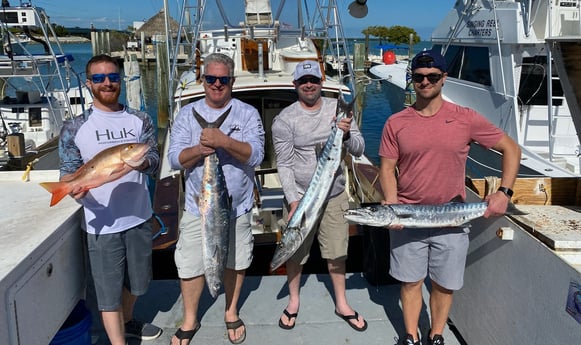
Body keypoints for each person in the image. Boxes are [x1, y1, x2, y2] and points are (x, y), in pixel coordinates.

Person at [378, 49, 522, 345]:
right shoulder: (396, 122)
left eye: (432, 76)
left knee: (444, 285)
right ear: (412, 80)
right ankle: (410, 335)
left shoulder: (465, 118)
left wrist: (503, 193)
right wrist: (391, 204)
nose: (425, 82)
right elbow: (387, 168)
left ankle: (437, 335)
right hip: (406, 215)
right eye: (419, 77)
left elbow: (511, 148)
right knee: (410, 281)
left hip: (453, 217)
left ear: (444, 78)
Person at [58, 54, 162, 345]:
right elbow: (68, 174)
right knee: (108, 293)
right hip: (100, 224)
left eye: (113, 78)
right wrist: (76, 189)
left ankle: (128, 321)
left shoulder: (140, 119)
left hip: (139, 216)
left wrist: (141, 164)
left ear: (120, 81)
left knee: (139, 283)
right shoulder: (74, 127)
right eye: (100, 78)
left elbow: (154, 159)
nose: (107, 83)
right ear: (89, 83)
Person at [168, 53, 265, 345]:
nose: (217, 84)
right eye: (211, 79)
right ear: (203, 80)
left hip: (238, 206)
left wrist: (223, 141)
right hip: (199, 206)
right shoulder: (187, 114)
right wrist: (201, 149)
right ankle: (190, 318)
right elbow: (174, 159)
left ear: (232, 81)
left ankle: (231, 310)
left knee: (236, 260)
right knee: (189, 263)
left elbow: (257, 154)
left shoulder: (247, 113)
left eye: (223, 79)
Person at [272, 60, 368, 332]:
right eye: (303, 81)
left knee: (337, 252)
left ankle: (341, 302)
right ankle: (293, 301)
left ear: (321, 81)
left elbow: (359, 149)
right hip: (301, 199)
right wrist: (293, 201)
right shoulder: (285, 120)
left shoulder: (338, 109)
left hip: (335, 195)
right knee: (294, 252)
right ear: (296, 85)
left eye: (313, 79)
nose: (309, 84)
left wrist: (346, 134)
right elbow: (285, 164)